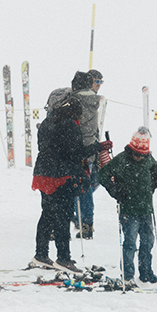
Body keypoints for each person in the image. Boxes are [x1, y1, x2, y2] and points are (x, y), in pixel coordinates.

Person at [29, 94, 101, 272]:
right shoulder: (70, 124)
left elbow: (46, 147)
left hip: (43, 173)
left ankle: (41, 253)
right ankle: (63, 258)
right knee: (63, 216)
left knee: (47, 214)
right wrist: (97, 148)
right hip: (61, 176)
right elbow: (74, 154)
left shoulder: (47, 122)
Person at [99, 127, 157, 283]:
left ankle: (146, 273)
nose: (139, 158)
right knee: (129, 243)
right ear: (131, 150)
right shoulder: (121, 160)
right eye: (136, 154)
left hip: (146, 209)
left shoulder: (149, 159)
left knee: (147, 243)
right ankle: (128, 276)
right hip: (128, 209)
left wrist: (151, 187)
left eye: (142, 155)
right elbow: (102, 175)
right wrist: (114, 190)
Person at [69, 69, 106, 239]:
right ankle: (85, 222)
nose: (98, 85)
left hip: (76, 150)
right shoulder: (93, 101)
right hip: (90, 149)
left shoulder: (73, 100)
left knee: (81, 186)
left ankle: (79, 219)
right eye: (96, 81)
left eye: (100, 82)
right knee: (87, 186)